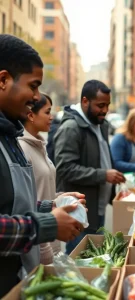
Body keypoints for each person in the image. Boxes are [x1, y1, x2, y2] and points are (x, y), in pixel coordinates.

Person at [0, 34, 85, 296]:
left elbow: (11, 203)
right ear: (3, 80)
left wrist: (51, 206)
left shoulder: (9, 137)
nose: (36, 97)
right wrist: (45, 224)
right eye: (33, 86)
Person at [54, 80, 126, 254]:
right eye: (100, 105)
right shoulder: (71, 128)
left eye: (107, 105)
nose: (105, 111)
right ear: (85, 101)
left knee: (93, 258)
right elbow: (65, 168)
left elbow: (102, 158)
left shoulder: (101, 125)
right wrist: (103, 175)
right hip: (79, 210)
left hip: (97, 206)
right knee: (78, 258)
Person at [18, 93, 61, 265]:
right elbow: (28, 202)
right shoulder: (22, 149)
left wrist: (61, 198)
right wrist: (45, 250)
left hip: (52, 234)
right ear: (31, 115)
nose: (52, 117)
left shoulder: (40, 145)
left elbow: (43, 189)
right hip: (39, 243)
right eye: (47, 112)